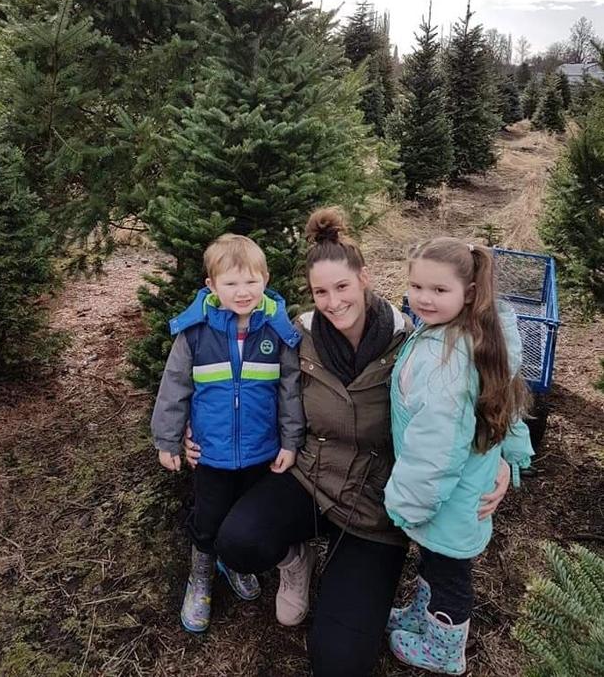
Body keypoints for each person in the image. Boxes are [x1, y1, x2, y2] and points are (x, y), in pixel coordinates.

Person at [184, 209, 512, 677]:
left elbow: (479, 395)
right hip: (310, 479)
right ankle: (294, 557)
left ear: (365, 279)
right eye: (321, 292)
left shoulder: (411, 339)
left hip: (376, 508)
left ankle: (354, 577)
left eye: (342, 287)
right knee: (236, 542)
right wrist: (191, 426)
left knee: (339, 662)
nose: (333, 302)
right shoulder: (296, 336)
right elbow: (238, 379)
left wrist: (502, 458)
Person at [384, 238, 534, 675]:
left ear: (468, 293)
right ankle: (422, 614)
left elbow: (438, 449)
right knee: (435, 560)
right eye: (416, 286)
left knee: (450, 575)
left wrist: (408, 503)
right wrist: (512, 456)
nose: (424, 299)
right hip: (462, 490)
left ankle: (446, 649)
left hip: (448, 496)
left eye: (438, 290)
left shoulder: (446, 360)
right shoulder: (476, 334)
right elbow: (507, 408)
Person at [151, 233, 304, 633]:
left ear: (265, 279)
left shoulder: (276, 331)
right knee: (209, 518)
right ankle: (200, 576)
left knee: (243, 516)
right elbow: (174, 387)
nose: (243, 292)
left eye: (251, 281)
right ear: (212, 287)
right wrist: (168, 440)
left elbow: (290, 390)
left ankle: (232, 562)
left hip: (261, 451)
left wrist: (290, 441)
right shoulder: (195, 333)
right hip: (212, 453)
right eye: (231, 283)